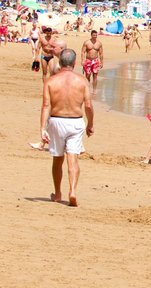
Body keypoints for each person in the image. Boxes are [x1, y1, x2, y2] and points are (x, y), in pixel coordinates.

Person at [39, 49, 94, 206]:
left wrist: (42, 129)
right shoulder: (82, 81)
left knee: (57, 159)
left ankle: (57, 194)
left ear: (60, 62)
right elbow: (88, 106)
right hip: (75, 121)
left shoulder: (51, 81)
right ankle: (73, 191)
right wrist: (90, 124)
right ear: (74, 63)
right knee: (73, 158)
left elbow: (45, 106)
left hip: (56, 121)